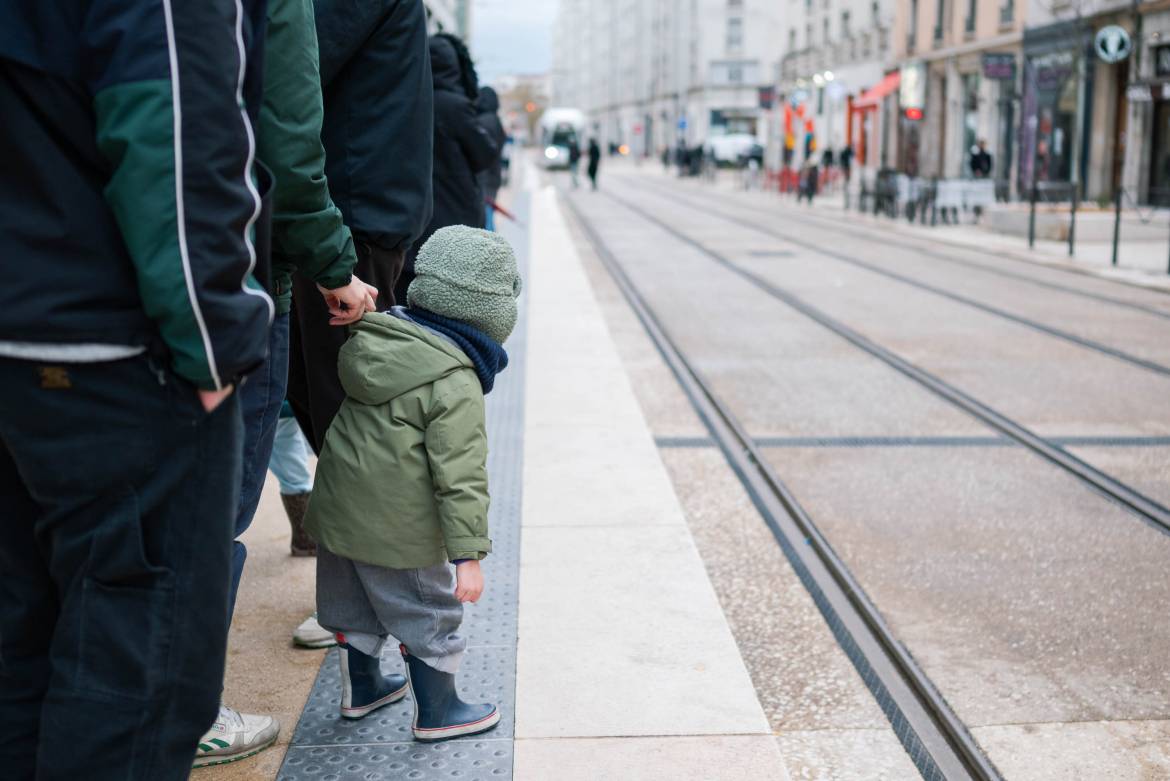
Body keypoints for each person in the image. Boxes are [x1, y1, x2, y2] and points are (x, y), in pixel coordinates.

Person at [0, 2, 273, 778]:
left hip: (24, 335)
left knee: (24, 653)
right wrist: (218, 343)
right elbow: (177, 130)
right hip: (117, 352)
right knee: (140, 678)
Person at [191, 0, 385, 767]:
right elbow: (286, 137)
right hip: (227, 270)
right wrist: (334, 264)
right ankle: (190, 710)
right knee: (210, 511)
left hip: (59, 279)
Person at [304, 225, 521, 741]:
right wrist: (466, 556)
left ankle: (363, 689)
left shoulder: (379, 337)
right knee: (426, 610)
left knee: (350, 604)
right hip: (399, 528)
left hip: (337, 511)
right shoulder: (455, 376)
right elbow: (461, 473)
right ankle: (440, 709)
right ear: (490, 313)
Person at [289, 0, 434, 454]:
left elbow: (293, 62)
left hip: (346, 221)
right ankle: (348, 521)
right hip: (359, 212)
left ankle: (367, 525)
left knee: (349, 420)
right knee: (331, 404)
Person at [393, 32, 498, 303]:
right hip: (454, 223)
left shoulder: (404, 100)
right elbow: (484, 155)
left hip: (410, 222)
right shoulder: (455, 106)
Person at [270, 402, 317, 557]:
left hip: (279, 400)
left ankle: (305, 537)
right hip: (268, 398)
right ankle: (305, 538)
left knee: (294, 469)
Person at [476, 86, 507, 230]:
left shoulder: (483, 121)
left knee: (486, 219)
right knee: (489, 215)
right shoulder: (496, 121)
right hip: (494, 176)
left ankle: (490, 250)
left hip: (484, 177)